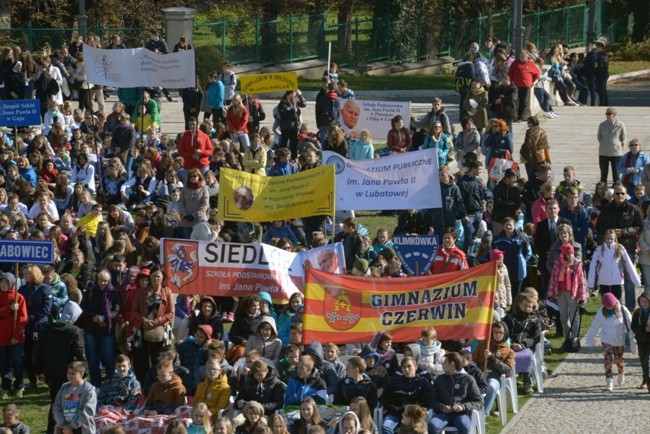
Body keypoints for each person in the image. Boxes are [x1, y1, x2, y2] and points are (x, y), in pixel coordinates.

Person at [595, 185, 642, 310]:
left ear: (626, 195)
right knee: (611, 278)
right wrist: (610, 233)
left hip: (627, 248)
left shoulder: (633, 209)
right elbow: (599, 227)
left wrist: (624, 232)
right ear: (613, 195)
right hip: (610, 250)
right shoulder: (606, 210)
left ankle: (630, 307)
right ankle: (613, 305)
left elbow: (639, 227)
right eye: (617, 193)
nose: (620, 196)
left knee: (628, 279)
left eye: (622, 193)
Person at [131, 267, 175, 382]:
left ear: (162, 278)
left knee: (158, 357)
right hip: (142, 328)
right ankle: (141, 382)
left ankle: (157, 381)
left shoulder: (167, 291)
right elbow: (134, 310)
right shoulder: (142, 291)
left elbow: (170, 312)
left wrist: (156, 322)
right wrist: (144, 320)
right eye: (154, 276)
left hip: (160, 329)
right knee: (140, 358)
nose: (156, 278)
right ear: (150, 277)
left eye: (158, 276)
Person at [80, 269, 120, 387]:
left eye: (106, 281)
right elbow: (83, 309)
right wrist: (95, 318)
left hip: (107, 331)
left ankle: (111, 385)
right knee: (92, 360)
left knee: (109, 359)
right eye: (101, 280)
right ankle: (96, 386)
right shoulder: (91, 291)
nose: (103, 283)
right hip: (91, 330)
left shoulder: (114, 293)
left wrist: (104, 319)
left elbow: (116, 311)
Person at [586, 293, 633, 391]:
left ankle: (621, 373)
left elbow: (630, 324)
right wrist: (590, 338)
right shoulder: (601, 312)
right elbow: (595, 325)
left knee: (618, 360)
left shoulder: (623, 310)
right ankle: (609, 381)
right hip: (606, 340)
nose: (610, 308)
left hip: (619, 340)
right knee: (607, 361)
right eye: (607, 306)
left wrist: (633, 339)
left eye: (611, 306)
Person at [428, 352, 483, 434]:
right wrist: (441, 407)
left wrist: (463, 406)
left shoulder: (468, 379)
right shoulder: (439, 379)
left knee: (464, 426)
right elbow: (431, 399)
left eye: (445, 362)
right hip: (442, 414)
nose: (442, 365)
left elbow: (479, 402)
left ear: (452, 364)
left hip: (461, 414)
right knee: (433, 425)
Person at [472, 321, 514, 418]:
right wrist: (479, 372)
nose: (498, 335)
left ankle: (483, 415)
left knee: (491, 385)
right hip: (480, 375)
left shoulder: (508, 351)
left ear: (505, 333)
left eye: (500, 333)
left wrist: (492, 358)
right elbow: (472, 361)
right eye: (495, 332)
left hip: (495, 378)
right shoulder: (483, 345)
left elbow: (507, 370)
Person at [380, 357, 431, 434]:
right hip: (396, 414)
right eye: (403, 367)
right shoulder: (394, 382)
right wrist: (394, 409)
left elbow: (425, 401)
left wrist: (412, 411)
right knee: (386, 427)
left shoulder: (423, 382)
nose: (406, 369)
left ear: (416, 367)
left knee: (418, 430)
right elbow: (386, 400)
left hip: (415, 416)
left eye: (409, 366)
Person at [503, 292, 541, 395]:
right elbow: (504, 332)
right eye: (525, 305)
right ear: (519, 304)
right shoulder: (510, 317)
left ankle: (527, 382)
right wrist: (511, 344)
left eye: (530, 306)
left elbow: (536, 337)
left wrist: (522, 345)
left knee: (525, 355)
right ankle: (507, 382)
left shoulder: (535, 319)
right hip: (510, 345)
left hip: (526, 346)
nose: (528, 308)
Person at [547, 243, 587, 342]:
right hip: (561, 293)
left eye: (571, 254)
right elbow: (554, 278)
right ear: (563, 254)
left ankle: (575, 338)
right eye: (567, 255)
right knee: (564, 317)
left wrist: (582, 297)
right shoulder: (558, 263)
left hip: (573, 294)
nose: (570, 256)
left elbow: (581, 281)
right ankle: (567, 337)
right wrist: (552, 293)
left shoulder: (577, 263)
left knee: (574, 316)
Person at [0, 273, 27, 400]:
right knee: (4, 364)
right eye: (2, 282)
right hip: (2, 337)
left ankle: (19, 386)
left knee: (17, 363)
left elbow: (23, 319)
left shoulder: (19, 297)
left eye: (6, 282)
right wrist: (9, 309)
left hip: (16, 338)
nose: (3, 284)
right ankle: (5, 387)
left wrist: (17, 335)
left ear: (11, 283)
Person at [52, 361, 97, 434]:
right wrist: (63, 424)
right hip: (64, 428)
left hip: (81, 429)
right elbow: (56, 406)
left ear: (81, 374)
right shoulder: (64, 388)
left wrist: (70, 427)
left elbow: (87, 412)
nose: (69, 376)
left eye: (73, 373)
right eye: (68, 373)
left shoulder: (88, 390)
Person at [507, 50, 540, 122]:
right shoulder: (515, 63)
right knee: (514, 100)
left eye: (523, 56)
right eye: (520, 56)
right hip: (516, 85)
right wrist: (511, 81)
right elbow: (510, 73)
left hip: (526, 85)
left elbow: (537, 74)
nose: (521, 57)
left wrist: (533, 82)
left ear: (527, 56)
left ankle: (520, 117)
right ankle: (514, 116)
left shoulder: (531, 64)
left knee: (523, 101)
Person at [597, 107, 626, 184]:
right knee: (603, 173)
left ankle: (616, 189)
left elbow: (623, 137)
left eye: (609, 114)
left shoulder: (620, 125)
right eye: (606, 113)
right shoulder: (602, 125)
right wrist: (604, 143)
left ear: (615, 115)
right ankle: (602, 190)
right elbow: (599, 137)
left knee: (616, 173)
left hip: (615, 152)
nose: (607, 115)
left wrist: (619, 146)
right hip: (603, 152)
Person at [519, 116, 550, 180]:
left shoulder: (529, 132)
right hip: (541, 157)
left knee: (531, 176)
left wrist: (524, 152)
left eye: (528, 122)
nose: (527, 124)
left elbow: (528, 145)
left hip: (530, 157)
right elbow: (545, 144)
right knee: (541, 176)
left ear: (532, 123)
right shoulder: (542, 131)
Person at [631, 291, 650, 390]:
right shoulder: (637, 313)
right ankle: (645, 380)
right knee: (644, 361)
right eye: (642, 301)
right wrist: (643, 329)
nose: (644, 304)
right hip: (642, 341)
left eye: (646, 301)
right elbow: (633, 326)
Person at [594, 41, 609, 106]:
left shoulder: (600, 57)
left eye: (597, 48)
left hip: (601, 75)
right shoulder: (605, 55)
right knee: (604, 89)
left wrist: (595, 72)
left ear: (601, 48)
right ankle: (606, 103)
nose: (596, 49)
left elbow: (599, 67)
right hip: (605, 74)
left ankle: (602, 103)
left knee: (601, 90)